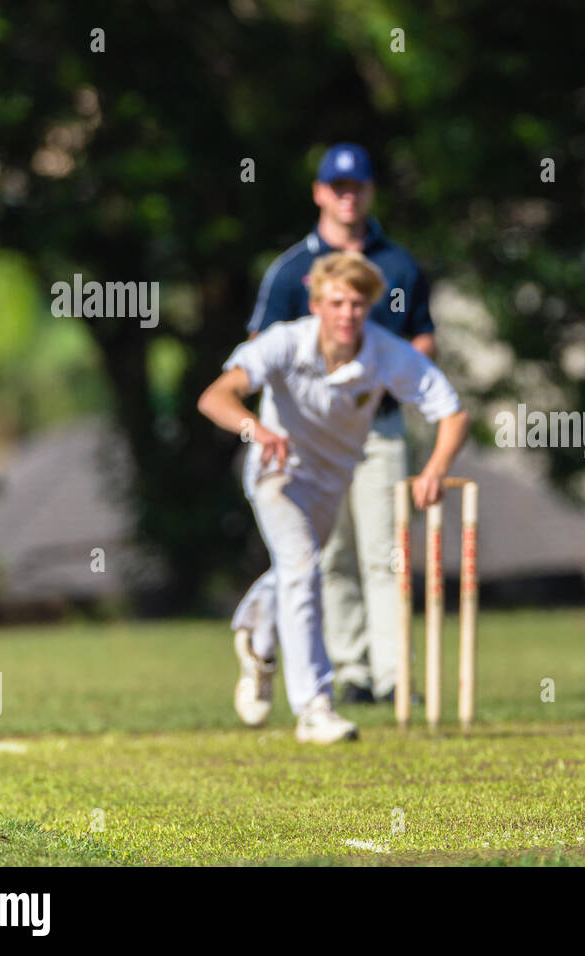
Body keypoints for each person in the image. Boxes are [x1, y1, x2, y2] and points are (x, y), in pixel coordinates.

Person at [199, 252, 468, 742]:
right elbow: (215, 396)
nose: (348, 314)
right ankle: (314, 707)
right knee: (303, 567)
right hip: (277, 473)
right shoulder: (285, 342)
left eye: (358, 304)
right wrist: (257, 430)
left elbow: (451, 411)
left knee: (295, 569)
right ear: (318, 304)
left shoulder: (384, 352)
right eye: (337, 302)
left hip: (333, 479)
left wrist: (434, 470)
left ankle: (258, 643)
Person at [248, 142, 434, 705]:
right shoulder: (293, 270)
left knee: (387, 552)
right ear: (320, 193)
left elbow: (422, 336)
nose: (347, 197)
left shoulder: (398, 264)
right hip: (311, 437)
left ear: (370, 191)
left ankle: (394, 674)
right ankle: (351, 669)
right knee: (328, 555)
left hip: (377, 428)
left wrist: (381, 377)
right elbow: (260, 346)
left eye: (357, 187)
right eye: (337, 187)